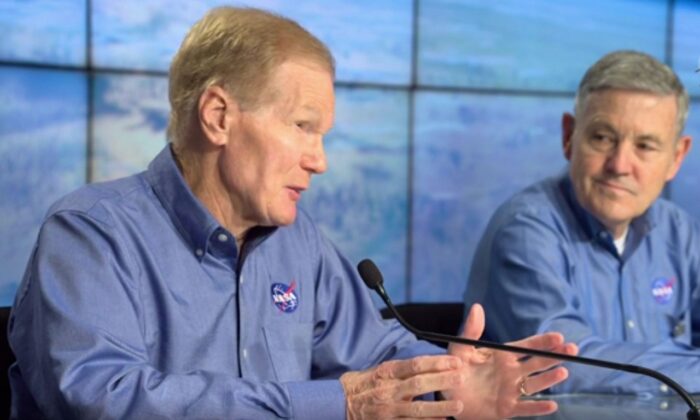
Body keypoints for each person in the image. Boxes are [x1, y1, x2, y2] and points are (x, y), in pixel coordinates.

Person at [7, 6, 576, 420]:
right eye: (303, 126)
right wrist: (338, 405)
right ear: (219, 116)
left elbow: (373, 353)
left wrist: (451, 379)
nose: (320, 160)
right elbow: (104, 400)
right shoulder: (90, 234)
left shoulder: (296, 241)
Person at [464, 50, 700, 395]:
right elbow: (563, 365)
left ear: (676, 157)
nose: (619, 164)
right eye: (603, 138)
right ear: (569, 136)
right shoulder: (525, 230)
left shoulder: (680, 232)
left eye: (645, 146)